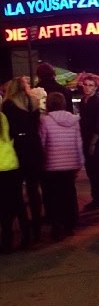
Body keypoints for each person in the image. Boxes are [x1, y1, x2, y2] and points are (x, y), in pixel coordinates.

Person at [2, 76, 43, 242]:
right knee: (34, 188)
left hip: (19, 146)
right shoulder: (33, 103)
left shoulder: (9, 105)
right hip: (34, 144)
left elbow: (8, 129)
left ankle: (23, 229)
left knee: (17, 191)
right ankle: (37, 226)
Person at [39, 92, 84, 240]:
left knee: (54, 196)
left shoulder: (45, 121)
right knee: (69, 194)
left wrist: (41, 160)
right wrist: (80, 162)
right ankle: (70, 224)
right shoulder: (73, 120)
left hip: (52, 164)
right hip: (70, 163)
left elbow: (42, 142)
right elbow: (78, 142)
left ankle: (56, 226)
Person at [79, 74, 99, 211]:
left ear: (95, 87)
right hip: (86, 139)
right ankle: (97, 198)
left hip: (95, 142)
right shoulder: (83, 101)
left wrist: (93, 143)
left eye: (90, 85)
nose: (87, 88)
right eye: (85, 85)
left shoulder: (97, 103)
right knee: (91, 172)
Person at [0, 107, 29, 253]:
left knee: (3, 206)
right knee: (17, 202)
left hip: (1, 167)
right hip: (11, 163)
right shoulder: (3, 117)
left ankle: (6, 241)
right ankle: (26, 235)